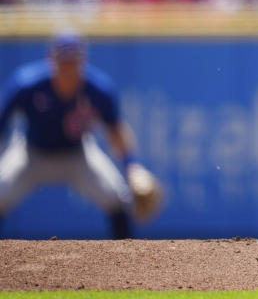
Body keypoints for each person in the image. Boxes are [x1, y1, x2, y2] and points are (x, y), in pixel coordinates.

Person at [0, 32, 148, 238]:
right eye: (63, 60)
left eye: (73, 60)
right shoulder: (26, 84)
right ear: (51, 59)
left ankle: (128, 261)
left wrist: (133, 166)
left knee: (117, 198)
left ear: (83, 59)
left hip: (78, 155)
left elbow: (116, 131)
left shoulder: (98, 90)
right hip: (31, 154)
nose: (68, 66)